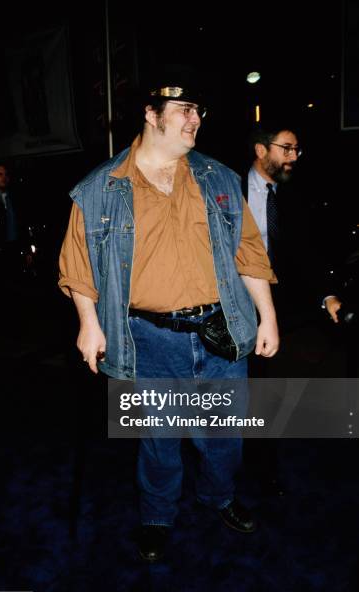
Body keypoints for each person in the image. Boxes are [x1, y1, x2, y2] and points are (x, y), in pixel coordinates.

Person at [58, 77, 279, 562]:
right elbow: (77, 266)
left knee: (224, 437)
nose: (194, 119)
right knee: (159, 441)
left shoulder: (217, 177)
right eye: (183, 110)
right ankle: (157, 515)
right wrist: (88, 324)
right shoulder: (100, 188)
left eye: (199, 110)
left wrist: (267, 316)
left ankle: (218, 497)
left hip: (220, 331)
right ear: (151, 114)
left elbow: (248, 252)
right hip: (147, 339)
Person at [242, 123, 302, 496]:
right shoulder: (228, 186)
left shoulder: (293, 196)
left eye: (297, 149)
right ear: (261, 150)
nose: (294, 156)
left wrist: (325, 294)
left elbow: (304, 250)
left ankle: (264, 465)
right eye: (287, 148)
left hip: (276, 307)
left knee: (267, 390)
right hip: (230, 305)